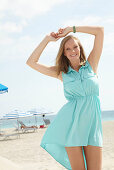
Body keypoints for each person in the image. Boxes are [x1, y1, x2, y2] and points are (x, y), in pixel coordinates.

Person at [26, 26, 104, 170]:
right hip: (72, 128)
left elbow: (99, 31)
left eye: (75, 47)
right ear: (63, 53)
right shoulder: (61, 73)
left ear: (80, 48)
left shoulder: (91, 65)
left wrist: (71, 29)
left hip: (93, 128)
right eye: (67, 49)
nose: (72, 51)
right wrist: (47, 39)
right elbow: (31, 62)